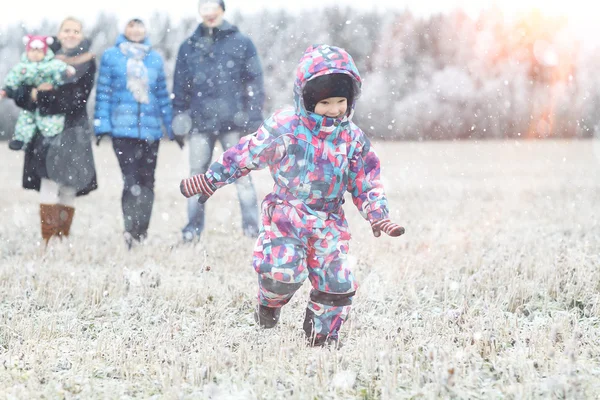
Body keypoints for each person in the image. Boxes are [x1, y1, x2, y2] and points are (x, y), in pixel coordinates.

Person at [179, 44, 405, 347]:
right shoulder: (286, 127)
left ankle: (321, 337)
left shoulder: (352, 138)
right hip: (287, 214)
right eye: (325, 102)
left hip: (329, 221)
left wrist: (378, 215)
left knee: (337, 282)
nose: (335, 109)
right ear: (308, 99)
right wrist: (212, 178)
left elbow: (366, 181)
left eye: (341, 100)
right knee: (280, 275)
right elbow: (247, 152)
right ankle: (269, 304)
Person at [172, 0, 265, 242]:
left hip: (233, 123)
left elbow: (254, 82)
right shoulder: (188, 46)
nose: (210, 14)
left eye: (214, 8)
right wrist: (178, 119)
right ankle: (192, 232)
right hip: (199, 123)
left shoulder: (242, 43)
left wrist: (253, 118)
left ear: (223, 10)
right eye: (205, 8)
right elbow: (180, 87)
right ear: (199, 12)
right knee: (197, 177)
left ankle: (252, 231)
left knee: (242, 176)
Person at [6, 17, 98, 244]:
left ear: (82, 34)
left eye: (76, 30)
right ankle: (47, 239)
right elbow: (20, 92)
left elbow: (77, 99)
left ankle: (62, 238)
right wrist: (30, 94)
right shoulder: (40, 57)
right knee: (48, 181)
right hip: (44, 130)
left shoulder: (88, 62)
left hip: (73, 129)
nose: (71, 34)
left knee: (68, 185)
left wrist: (41, 95)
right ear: (58, 34)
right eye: (66, 30)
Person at [94, 18, 177, 248]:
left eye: (140, 25)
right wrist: (102, 125)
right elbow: (104, 92)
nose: (136, 30)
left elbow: (161, 95)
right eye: (131, 25)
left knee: (148, 181)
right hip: (123, 130)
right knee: (131, 181)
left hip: (150, 130)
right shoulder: (112, 56)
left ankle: (142, 232)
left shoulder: (155, 58)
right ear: (124, 28)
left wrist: (172, 127)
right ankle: (130, 231)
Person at [1, 35, 75, 150]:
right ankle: (21, 139)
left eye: (39, 51)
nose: (35, 54)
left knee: (50, 120)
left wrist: (66, 71)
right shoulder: (22, 67)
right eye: (32, 51)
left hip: (48, 96)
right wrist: (6, 90)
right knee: (25, 119)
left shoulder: (51, 64)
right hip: (29, 100)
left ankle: (51, 137)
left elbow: (60, 68)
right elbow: (13, 78)